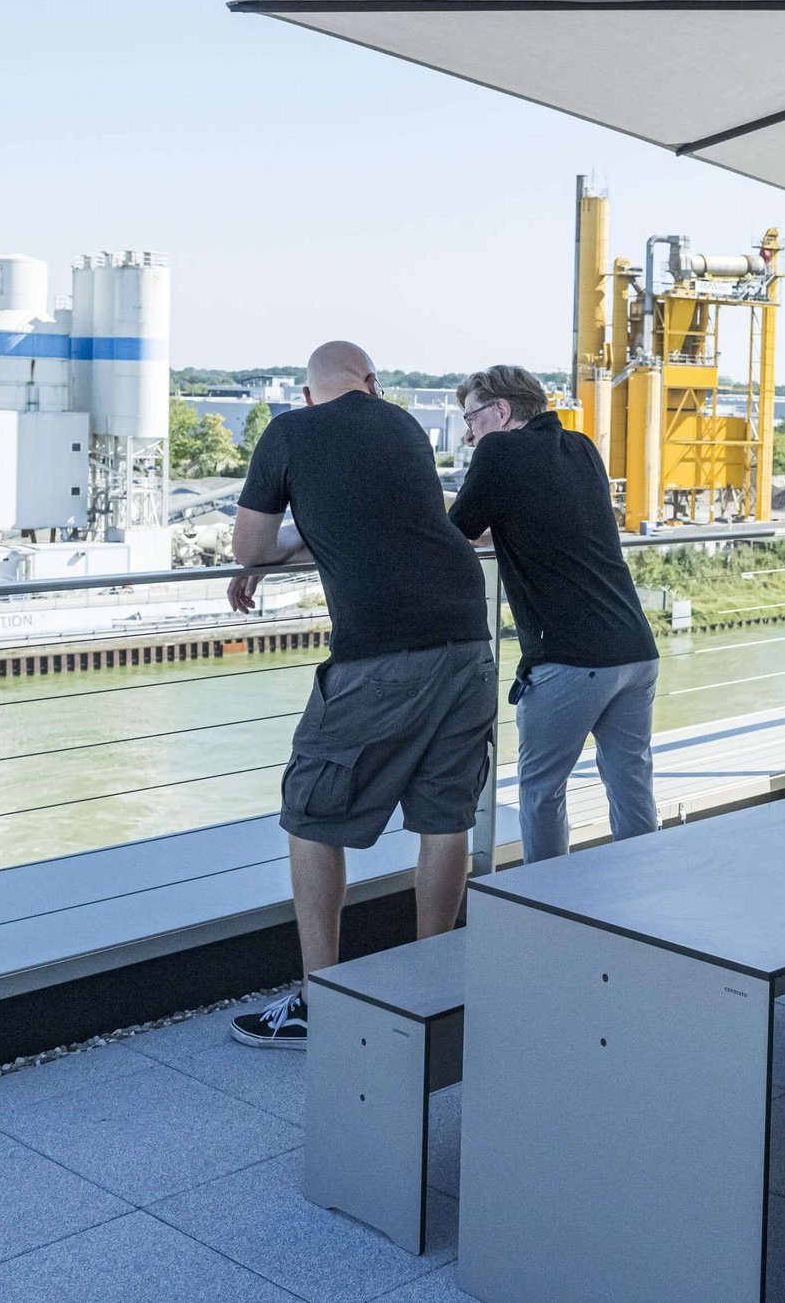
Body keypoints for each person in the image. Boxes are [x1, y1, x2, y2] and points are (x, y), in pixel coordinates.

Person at [223, 341, 494, 1049]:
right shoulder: (403, 426)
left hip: (383, 650)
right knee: (445, 813)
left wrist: (274, 552)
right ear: (370, 383)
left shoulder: (289, 431)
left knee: (311, 812)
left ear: (307, 394)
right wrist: (304, 539)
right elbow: (374, 525)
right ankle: (434, 985)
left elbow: (248, 547)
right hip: (468, 637)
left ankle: (321, 1000)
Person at [449, 364, 659, 862]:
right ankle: (647, 881)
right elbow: (541, 519)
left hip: (570, 659)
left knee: (542, 791)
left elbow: (453, 534)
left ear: (501, 411)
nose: (469, 434)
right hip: (635, 650)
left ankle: (548, 895)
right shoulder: (581, 446)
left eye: (472, 418)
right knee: (631, 782)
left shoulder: (500, 452)